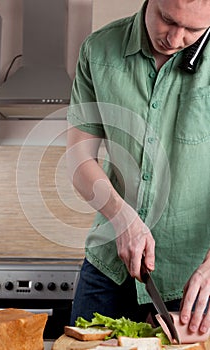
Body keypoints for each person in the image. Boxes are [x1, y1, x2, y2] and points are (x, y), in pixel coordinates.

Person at [66, 0, 210, 337]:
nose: (174, 39)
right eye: (167, 20)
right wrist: (121, 216)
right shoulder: (98, 50)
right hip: (108, 271)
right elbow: (79, 159)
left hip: (194, 282)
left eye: (193, 30)